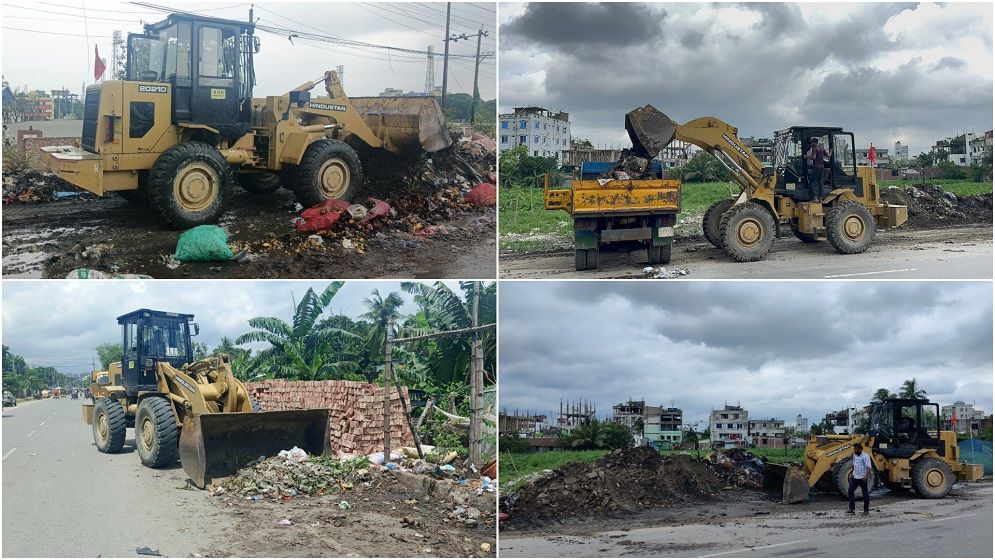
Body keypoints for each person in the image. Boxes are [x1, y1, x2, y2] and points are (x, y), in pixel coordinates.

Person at [848, 443, 873, 515]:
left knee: (865, 494)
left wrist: (866, 476)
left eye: (855, 449)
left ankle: (866, 511)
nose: (854, 451)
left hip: (862, 478)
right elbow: (854, 465)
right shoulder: (854, 455)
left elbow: (868, 467)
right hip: (855, 477)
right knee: (850, 491)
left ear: (860, 449)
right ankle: (851, 509)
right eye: (854, 449)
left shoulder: (865, 456)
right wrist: (852, 474)